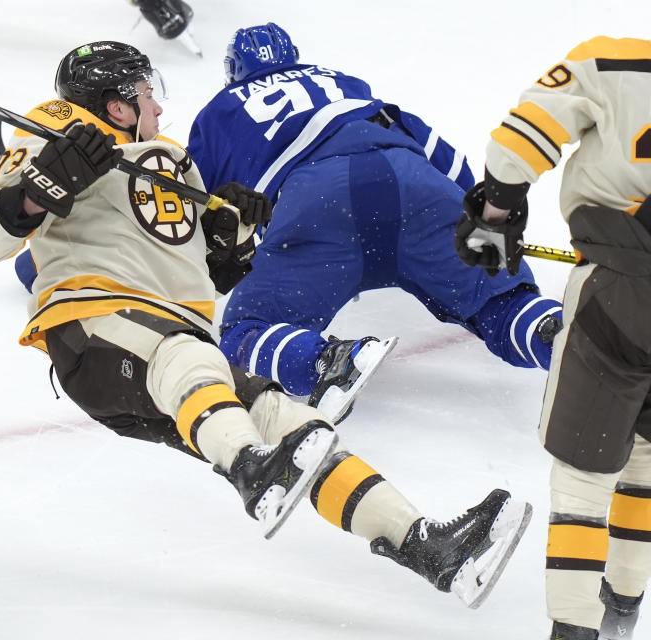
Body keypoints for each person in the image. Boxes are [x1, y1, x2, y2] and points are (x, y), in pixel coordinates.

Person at [0, 39, 532, 610]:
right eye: (146, 95)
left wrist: (231, 230)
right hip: (95, 327)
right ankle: (250, 467)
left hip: (170, 354)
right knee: (192, 359)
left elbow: (211, 278)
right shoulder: (54, 138)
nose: (159, 108)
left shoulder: (169, 164)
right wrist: (38, 190)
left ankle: (430, 547)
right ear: (117, 105)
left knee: (293, 422)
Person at [185, 23, 564, 414]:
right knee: (502, 302)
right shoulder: (342, 82)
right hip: (411, 181)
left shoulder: (220, 109)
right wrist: (476, 224)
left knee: (245, 331)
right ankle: (559, 337)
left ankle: (327, 363)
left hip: (317, 204)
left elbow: (190, 202)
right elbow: (438, 152)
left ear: (233, 70)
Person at [455, 36, 651, 640]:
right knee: (645, 453)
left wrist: (496, 217)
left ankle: (576, 629)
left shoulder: (618, 60)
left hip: (622, 287)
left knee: (585, 470)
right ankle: (623, 607)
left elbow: (519, 144)